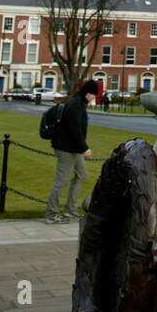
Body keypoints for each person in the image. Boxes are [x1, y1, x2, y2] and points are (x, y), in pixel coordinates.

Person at [45, 79, 97, 223]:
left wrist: (81, 147)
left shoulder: (79, 103)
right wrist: (84, 148)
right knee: (62, 180)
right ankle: (51, 213)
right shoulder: (76, 105)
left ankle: (70, 209)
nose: (94, 98)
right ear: (88, 94)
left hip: (73, 148)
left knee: (81, 174)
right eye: (94, 95)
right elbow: (75, 130)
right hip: (66, 148)